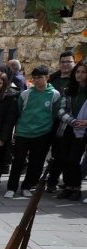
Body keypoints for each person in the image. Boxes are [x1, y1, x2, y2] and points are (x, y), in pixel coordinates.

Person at [4, 65, 63, 199]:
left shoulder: (54, 94)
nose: (37, 80)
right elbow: (19, 111)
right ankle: (11, 188)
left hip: (42, 134)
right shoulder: (26, 94)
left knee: (36, 163)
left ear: (47, 78)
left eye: (40, 78)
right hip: (23, 133)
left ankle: (27, 186)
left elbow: (54, 114)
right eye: (34, 78)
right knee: (18, 161)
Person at [53, 61, 87, 201]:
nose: (80, 75)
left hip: (83, 132)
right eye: (78, 72)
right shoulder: (69, 90)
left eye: (83, 72)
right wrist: (72, 121)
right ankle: (68, 187)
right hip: (68, 128)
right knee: (65, 159)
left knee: (74, 160)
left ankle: (76, 188)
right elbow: (61, 110)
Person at [45, 50, 78, 192]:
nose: (65, 64)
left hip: (68, 123)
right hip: (49, 121)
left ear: (74, 63)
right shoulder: (52, 78)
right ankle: (47, 180)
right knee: (49, 154)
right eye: (63, 62)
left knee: (62, 155)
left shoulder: (77, 80)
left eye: (68, 62)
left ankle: (58, 181)